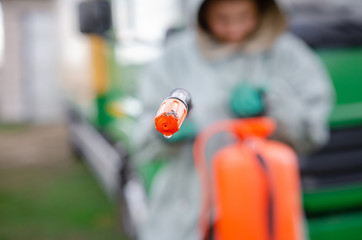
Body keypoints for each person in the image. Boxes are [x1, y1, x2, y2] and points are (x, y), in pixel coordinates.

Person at [131, 0, 333, 239]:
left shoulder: (288, 55)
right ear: (202, 14)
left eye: (243, 17)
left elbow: (313, 133)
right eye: (223, 19)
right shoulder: (175, 59)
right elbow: (142, 140)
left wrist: (274, 103)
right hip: (187, 209)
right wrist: (165, 132)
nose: (234, 29)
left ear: (263, 10)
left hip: (263, 208)